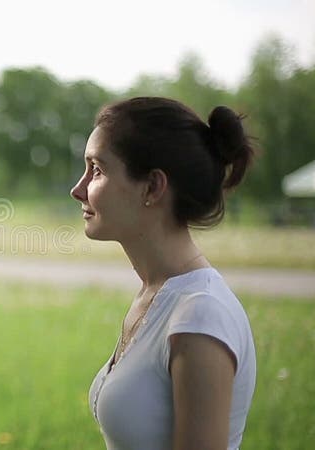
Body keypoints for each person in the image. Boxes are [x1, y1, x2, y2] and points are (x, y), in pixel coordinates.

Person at [70, 97, 256, 450]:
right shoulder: (156, 296)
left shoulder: (201, 313)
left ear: (153, 187)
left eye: (97, 170)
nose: (78, 189)